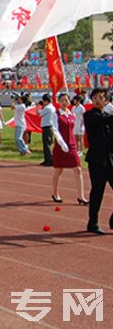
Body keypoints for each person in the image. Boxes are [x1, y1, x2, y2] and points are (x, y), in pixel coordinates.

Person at [83, 88, 113, 235]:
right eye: (94, 97)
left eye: (101, 97)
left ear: (106, 101)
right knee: (97, 192)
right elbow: (103, 121)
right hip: (96, 160)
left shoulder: (108, 116)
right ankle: (92, 223)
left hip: (110, 160)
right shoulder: (90, 115)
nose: (97, 100)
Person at [50, 93, 89, 205]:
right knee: (59, 170)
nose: (64, 102)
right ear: (58, 102)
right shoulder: (56, 114)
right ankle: (55, 193)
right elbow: (55, 129)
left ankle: (81, 196)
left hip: (72, 145)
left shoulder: (71, 114)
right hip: (60, 146)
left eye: (66, 100)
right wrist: (62, 143)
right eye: (62, 100)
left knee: (78, 169)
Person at [38, 94, 56, 167]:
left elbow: (38, 113)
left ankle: (49, 160)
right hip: (49, 127)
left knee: (47, 144)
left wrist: (37, 106)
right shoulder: (52, 107)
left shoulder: (47, 108)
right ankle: (47, 159)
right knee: (47, 144)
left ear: (46, 101)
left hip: (47, 127)